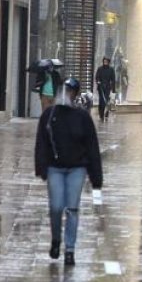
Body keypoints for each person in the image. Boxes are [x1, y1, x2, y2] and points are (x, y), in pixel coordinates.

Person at [35, 77, 103, 266]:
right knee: (56, 207)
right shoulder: (49, 115)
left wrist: (96, 176)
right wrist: (41, 166)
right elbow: (41, 143)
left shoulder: (82, 118)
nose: (66, 94)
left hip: (77, 169)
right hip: (55, 168)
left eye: (70, 91)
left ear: (75, 94)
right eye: (64, 90)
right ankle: (56, 238)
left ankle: (70, 249)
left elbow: (91, 147)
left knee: (72, 208)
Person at [94, 57, 116, 122]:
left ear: (108, 62)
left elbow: (113, 79)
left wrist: (113, 89)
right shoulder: (100, 69)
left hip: (107, 88)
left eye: (106, 61)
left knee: (106, 101)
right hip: (101, 88)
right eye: (104, 61)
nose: (105, 62)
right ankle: (101, 114)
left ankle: (106, 113)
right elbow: (97, 77)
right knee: (101, 102)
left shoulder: (111, 69)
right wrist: (98, 81)